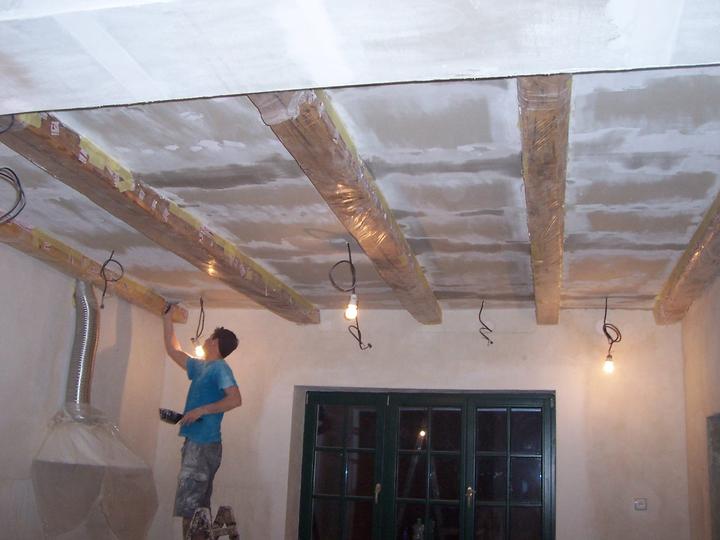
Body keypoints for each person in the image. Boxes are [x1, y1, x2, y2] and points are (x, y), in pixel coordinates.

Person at [163, 304, 242, 538]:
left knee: (191, 506)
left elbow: (235, 399)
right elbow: (174, 350)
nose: (205, 341)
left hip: (203, 445)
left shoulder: (220, 369)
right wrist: (167, 319)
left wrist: (201, 410)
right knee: (198, 507)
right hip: (197, 443)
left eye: (208, 338)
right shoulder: (201, 367)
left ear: (215, 343)